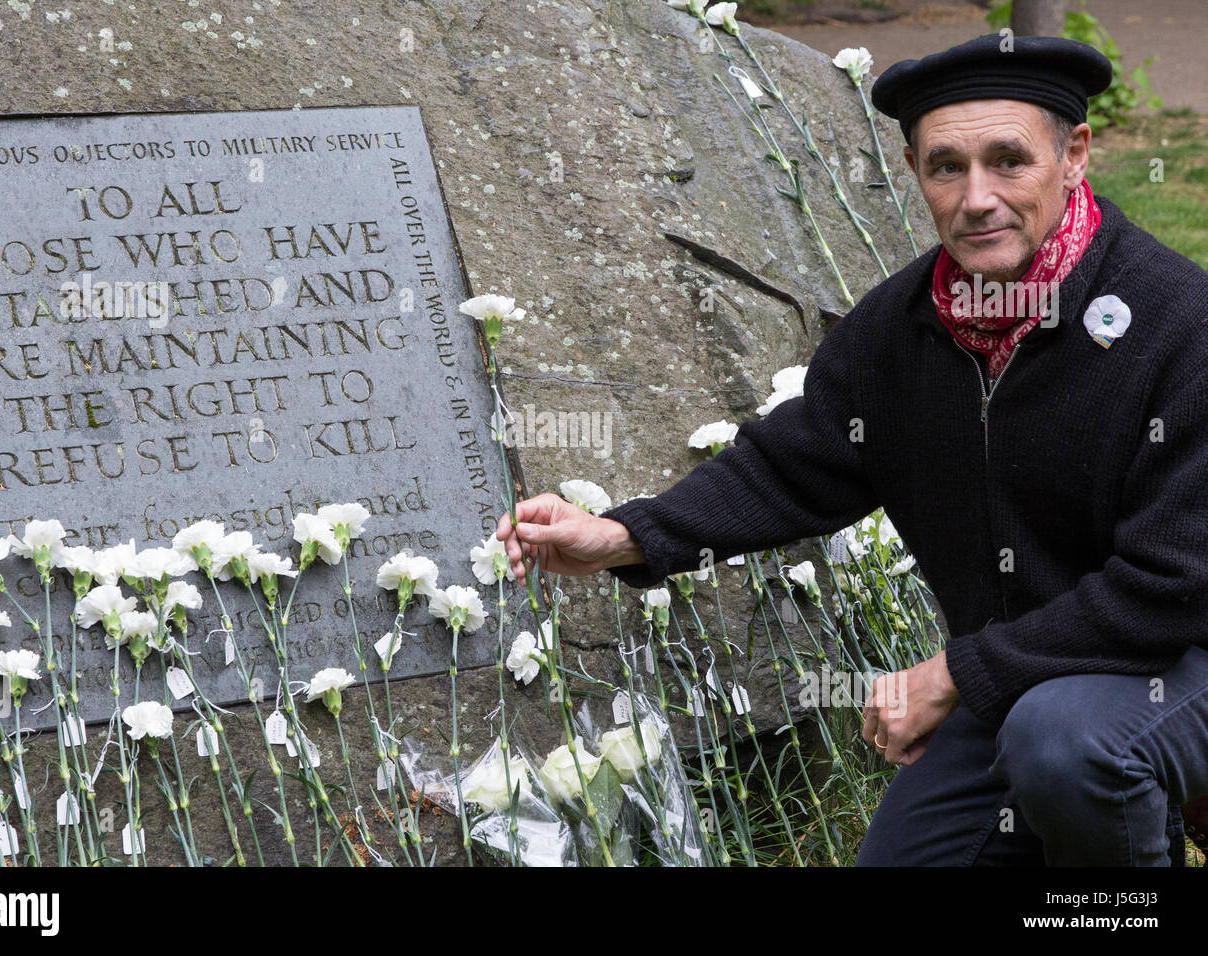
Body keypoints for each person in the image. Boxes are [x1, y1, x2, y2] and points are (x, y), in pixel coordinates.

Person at [494, 33, 1208, 866]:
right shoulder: (902, 327)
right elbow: (793, 464)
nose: (977, 197)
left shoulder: (1178, 325)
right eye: (947, 166)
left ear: (1074, 154)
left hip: (1172, 658)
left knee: (1069, 749)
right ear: (914, 170)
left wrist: (952, 674)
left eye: (1008, 160)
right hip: (1024, 676)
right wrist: (620, 537)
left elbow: (1177, 585)